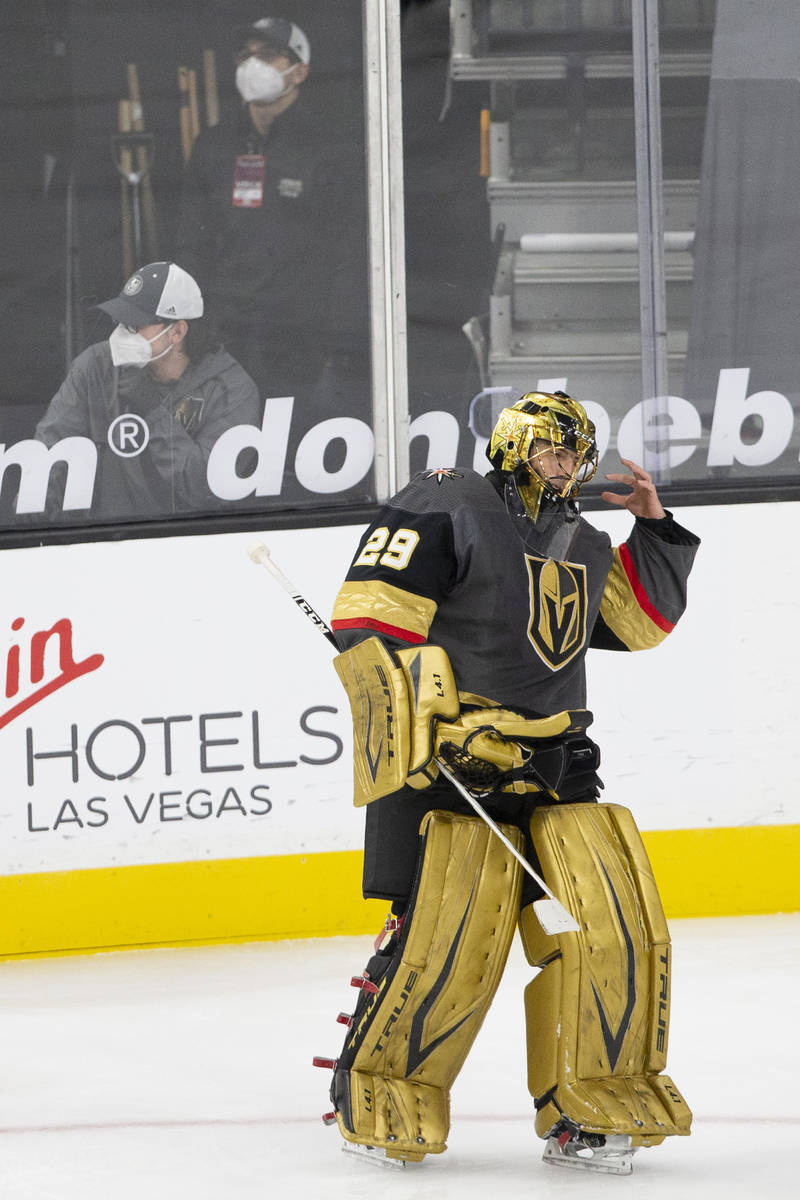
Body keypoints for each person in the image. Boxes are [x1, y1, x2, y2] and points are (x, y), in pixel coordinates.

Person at [318, 391, 700, 1173]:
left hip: (558, 762)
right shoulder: (444, 503)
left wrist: (654, 529)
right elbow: (370, 614)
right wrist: (428, 722)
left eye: (574, 457)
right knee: (455, 935)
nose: (563, 468)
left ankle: (590, 1099)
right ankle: (383, 1084)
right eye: (552, 451)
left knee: (611, 929)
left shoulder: (581, 540)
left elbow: (641, 626)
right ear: (515, 443)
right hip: (458, 763)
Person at [174, 17, 369, 422]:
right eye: (244, 55)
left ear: (300, 70)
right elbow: (189, 241)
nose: (251, 64)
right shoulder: (213, 145)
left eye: (267, 55)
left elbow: (351, 249)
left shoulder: (329, 148)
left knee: (293, 448)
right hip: (226, 333)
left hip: (301, 338)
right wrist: (191, 323)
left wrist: (339, 338)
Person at [35, 261, 261, 520]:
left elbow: (208, 487)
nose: (121, 333)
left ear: (177, 331)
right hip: (102, 541)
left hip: (189, 543)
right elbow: (49, 455)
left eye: (134, 325)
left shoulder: (230, 389)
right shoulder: (96, 367)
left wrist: (153, 411)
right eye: (120, 321)